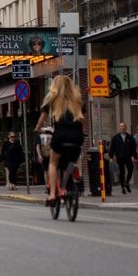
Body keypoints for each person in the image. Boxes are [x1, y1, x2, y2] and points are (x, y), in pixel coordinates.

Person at [35, 75, 85, 206]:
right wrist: (80, 132)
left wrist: (38, 128)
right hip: (76, 136)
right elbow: (82, 120)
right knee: (73, 157)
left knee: (53, 162)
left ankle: (52, 194)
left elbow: (42, 118)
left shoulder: (53, 99)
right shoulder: (78, 99)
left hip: (60, 135)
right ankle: (74, 175)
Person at [108, 122, 137, 194]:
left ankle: (126, 182)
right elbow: (112, 148)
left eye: (124, 126)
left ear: (125, 128)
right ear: (119, 128)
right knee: (122, 172)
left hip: (128, 156)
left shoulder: (130, 137)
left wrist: (134, 156)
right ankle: (123, 187)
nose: (122, 128)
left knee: (130, 169)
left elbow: (134, 147)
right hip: (120, 157)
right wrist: (111, 157)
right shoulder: (115, 137)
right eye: (121, 126)